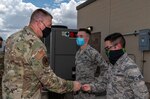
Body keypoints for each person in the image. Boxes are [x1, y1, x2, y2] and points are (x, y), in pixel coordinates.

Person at [2, 8, 81, 99]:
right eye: (49, 25)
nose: (50, 29)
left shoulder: (12, 37)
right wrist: (72, 85)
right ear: (39, 22)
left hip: (9, 93)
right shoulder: (36, 44)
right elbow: (48, 80)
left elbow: (19, 66)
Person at [82, 33, 149, 99]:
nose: (106, 51)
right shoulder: (111, 65)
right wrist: (91, 87)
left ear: (117, 46)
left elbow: (143, 96)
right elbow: (104, 83)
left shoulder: (130, 67)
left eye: (108, 48)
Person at [74, 28, 108, 99]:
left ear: (87, 38)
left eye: (81, 36)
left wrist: (97, 83)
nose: (78, 38)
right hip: (78, 89)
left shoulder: (93, 53)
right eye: (77, 36)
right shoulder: (78, 53)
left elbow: (105, 67)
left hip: (88, 90)